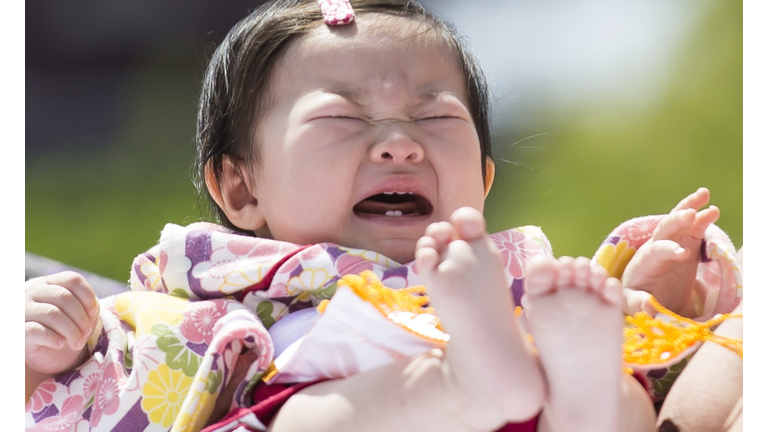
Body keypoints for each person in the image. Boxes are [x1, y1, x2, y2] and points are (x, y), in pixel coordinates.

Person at [24, 1, 742, 431]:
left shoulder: (507, 285)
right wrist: (47, 352)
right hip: (350, 401)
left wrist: (649, 295)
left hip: (518, 396)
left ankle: (576, 386)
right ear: (241, 192)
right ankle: (462, 382)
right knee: (300, 420)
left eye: (435, 116)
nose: (400, 143)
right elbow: (121, 381)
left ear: (483, 183)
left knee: (612, 382)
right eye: (340, 116)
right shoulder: (210, 292)